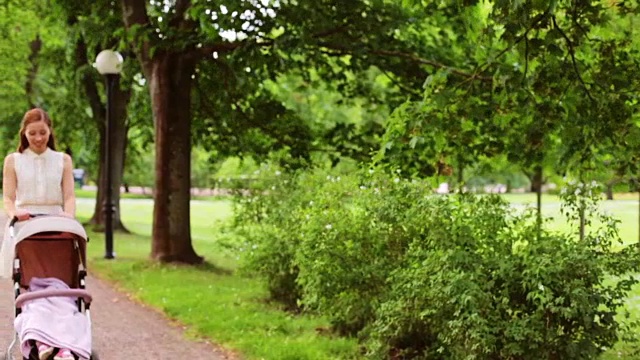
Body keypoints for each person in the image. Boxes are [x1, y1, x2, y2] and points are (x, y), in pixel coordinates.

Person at [1, 108, 79, 360]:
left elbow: (68, 196)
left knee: (61, 284)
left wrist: (69, 218)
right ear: (24, 133)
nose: (38, 138)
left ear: (50, 131)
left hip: (56, 224)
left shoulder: (63, 160)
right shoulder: (13, 160)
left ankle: (64, 342)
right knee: (29, 284)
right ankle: (38, 338)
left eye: (42, 132)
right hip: (25, 226)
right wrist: (16, 213)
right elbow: (9, 198)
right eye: (32, 133)